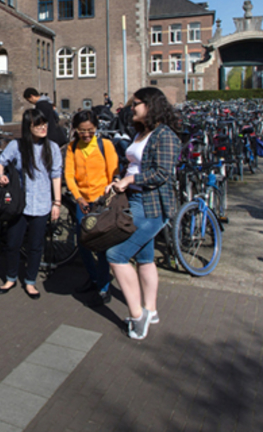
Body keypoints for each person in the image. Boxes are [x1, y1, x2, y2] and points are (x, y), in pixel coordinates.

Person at [106, 87, 181, 340]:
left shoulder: (166, 136)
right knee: (145, 258)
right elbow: (133, 164)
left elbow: (162, 173)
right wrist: (120, 179)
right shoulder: (142, 133)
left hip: (153, 205)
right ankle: (152, 310)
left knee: (116, 254)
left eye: (136, 103)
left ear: (150, 105)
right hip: (136, 199)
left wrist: (130, 180)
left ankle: (138, 317)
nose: (131, 108)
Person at [0, 109, 63, 299]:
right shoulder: (17, 146)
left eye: (44, 123)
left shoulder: (53, 148)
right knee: (13, 243)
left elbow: (56, 175)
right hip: (20, 204)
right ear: (28, 126)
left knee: (35, 245)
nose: (43, 127)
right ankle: (10, 277)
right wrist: (2, 176)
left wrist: (57, 202)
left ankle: (30, 282)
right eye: (37, 124)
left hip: (42, 204)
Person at [65, 110, 118, 305]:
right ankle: (94, 277)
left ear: (96, 128)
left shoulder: (105, 145)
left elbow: (113, 173)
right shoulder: (72, 148)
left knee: (102, 245)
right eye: (82, 131)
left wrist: (106, 196)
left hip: (102, 202)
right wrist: (78, 198)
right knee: (83, 243)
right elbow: (69, 175)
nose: (86, 135)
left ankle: (103, 286)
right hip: (83, 202)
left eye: (90, 130)